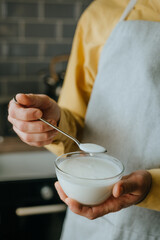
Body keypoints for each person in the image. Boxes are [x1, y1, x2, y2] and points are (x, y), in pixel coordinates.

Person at [8, 0, 160, 239]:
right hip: (93, 229)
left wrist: (154, 186)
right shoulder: (102, 12)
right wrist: (54, 124)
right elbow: (75, 127)